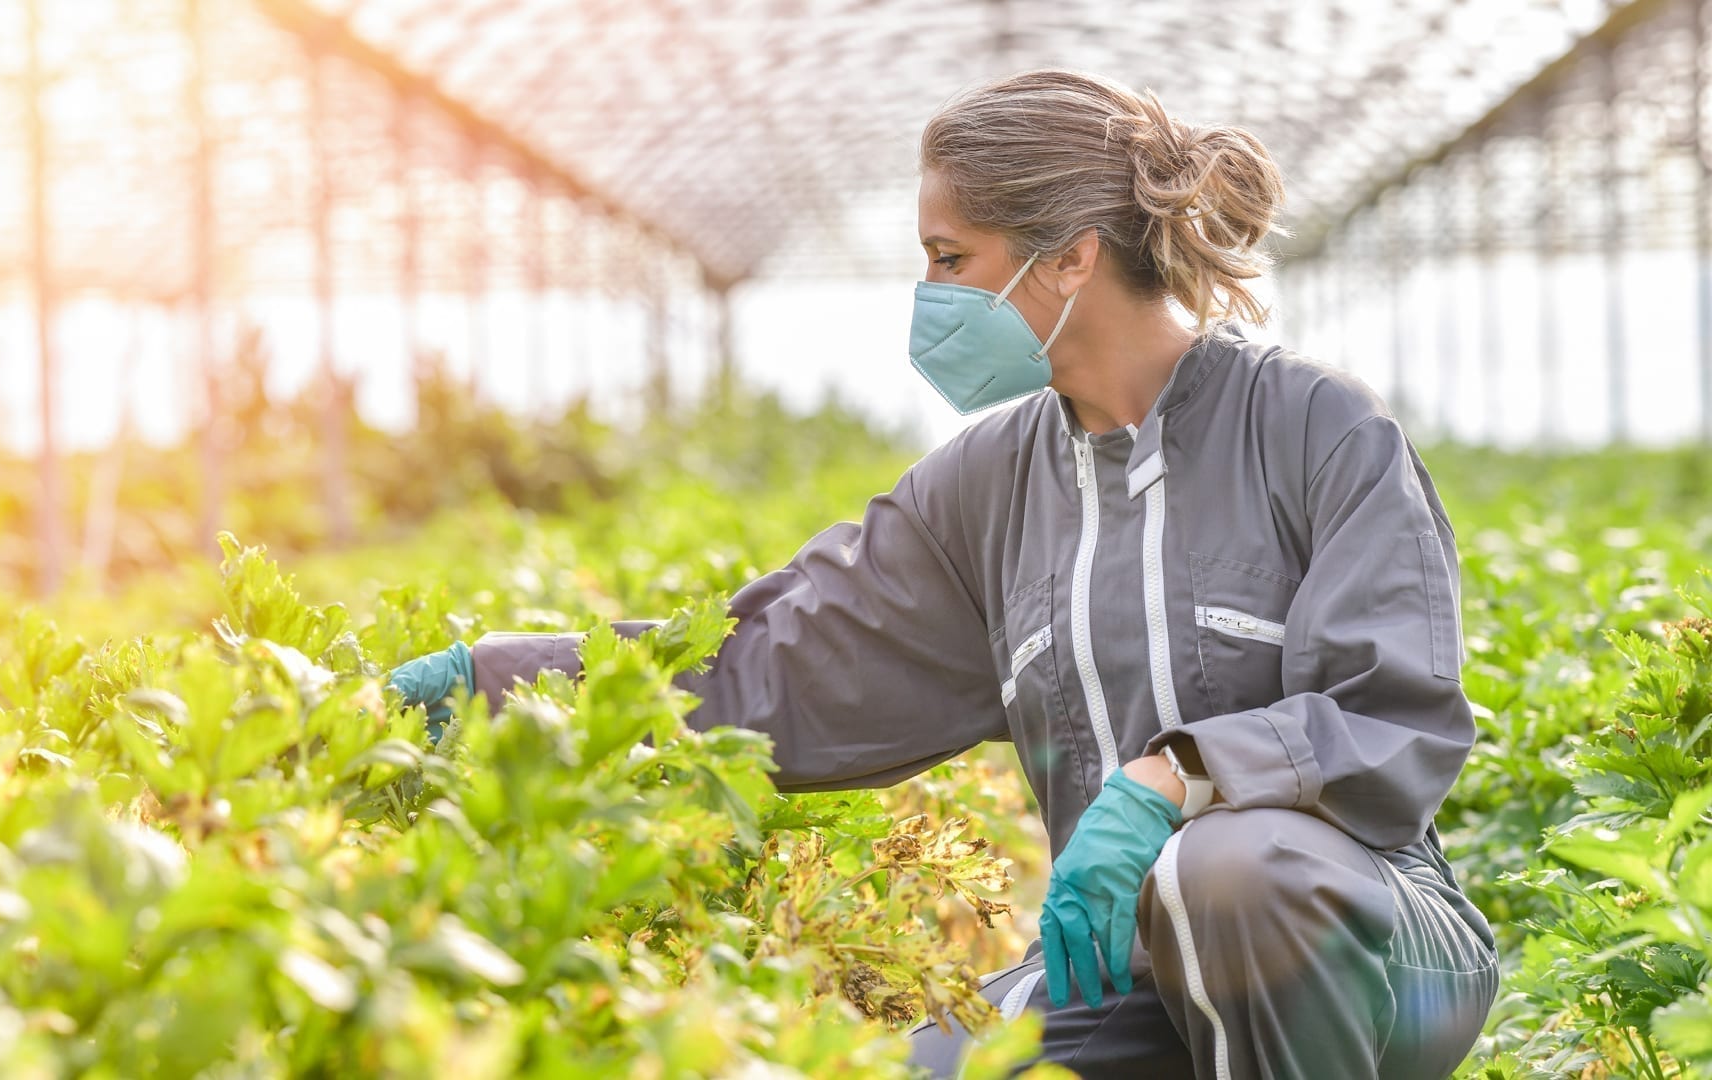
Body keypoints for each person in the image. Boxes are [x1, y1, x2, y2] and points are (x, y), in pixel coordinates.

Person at [388, 68, 1499, 1080]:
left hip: (1370, 944)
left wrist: (1173, 782)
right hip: (1128, 969)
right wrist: (508, 685)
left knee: (1230, 871)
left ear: (1069, 254)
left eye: (949, 258)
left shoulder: (1314, 427)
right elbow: (777, 660)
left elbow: (1394, 714)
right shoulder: (990, 483)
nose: (931, 296)